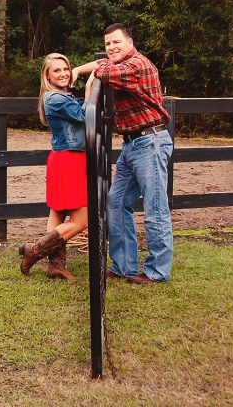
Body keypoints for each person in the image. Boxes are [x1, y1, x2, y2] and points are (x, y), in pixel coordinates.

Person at [72, 23, 173, 284]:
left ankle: (157, 271)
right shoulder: (120, 64)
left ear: (130, 42)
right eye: (107, 44)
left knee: (156, 208)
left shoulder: (137, 66)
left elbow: (104, 69)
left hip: (149, 142)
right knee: (115, 202)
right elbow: (103, 65)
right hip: (132, 144)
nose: (111, 48)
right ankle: (124, 265)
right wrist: (78, 70)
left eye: (116, 42)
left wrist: (92, 69)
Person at [20, 53, 95, 279]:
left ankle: (56, 266)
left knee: (58, 212)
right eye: (57, 71)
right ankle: (34, 251)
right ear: (47, 76)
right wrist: (90, 84)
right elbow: (85, 115)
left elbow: (102, 63)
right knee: (81, 220)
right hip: (68, 160)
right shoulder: (55, 99)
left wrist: (80, 70)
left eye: (65, 69)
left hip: (66, 158)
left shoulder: (62, 95)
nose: (63, 74)